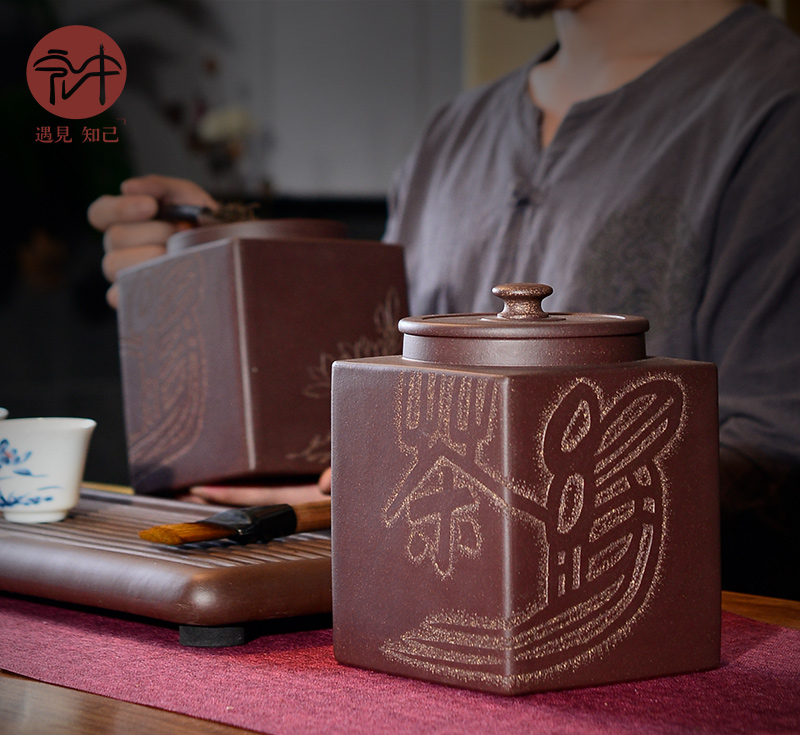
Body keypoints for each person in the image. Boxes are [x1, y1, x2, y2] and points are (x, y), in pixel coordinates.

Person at [88, 0, 800, 598]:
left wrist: (409, 482)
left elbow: (776, 458)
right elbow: (373, 398)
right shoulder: (453, 134)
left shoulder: (775, 110)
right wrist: (213, 286)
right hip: (405, 626)